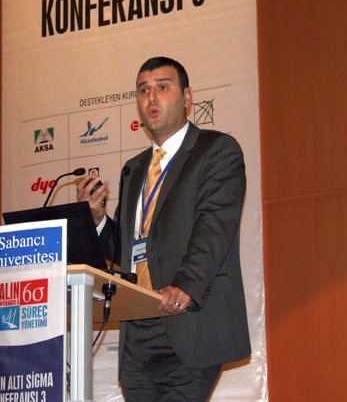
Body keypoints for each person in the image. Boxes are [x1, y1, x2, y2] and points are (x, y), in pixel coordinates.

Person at [77, 57, 250, 402]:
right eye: (143, 90)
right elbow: (127, 250)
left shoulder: (216, 150)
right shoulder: (134, 168)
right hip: (137, 333)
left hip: (187, 321)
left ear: (187, 97)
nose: (151, 97)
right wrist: (96, 220)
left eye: (162, 87)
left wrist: (186, 286)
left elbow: (214, 226)